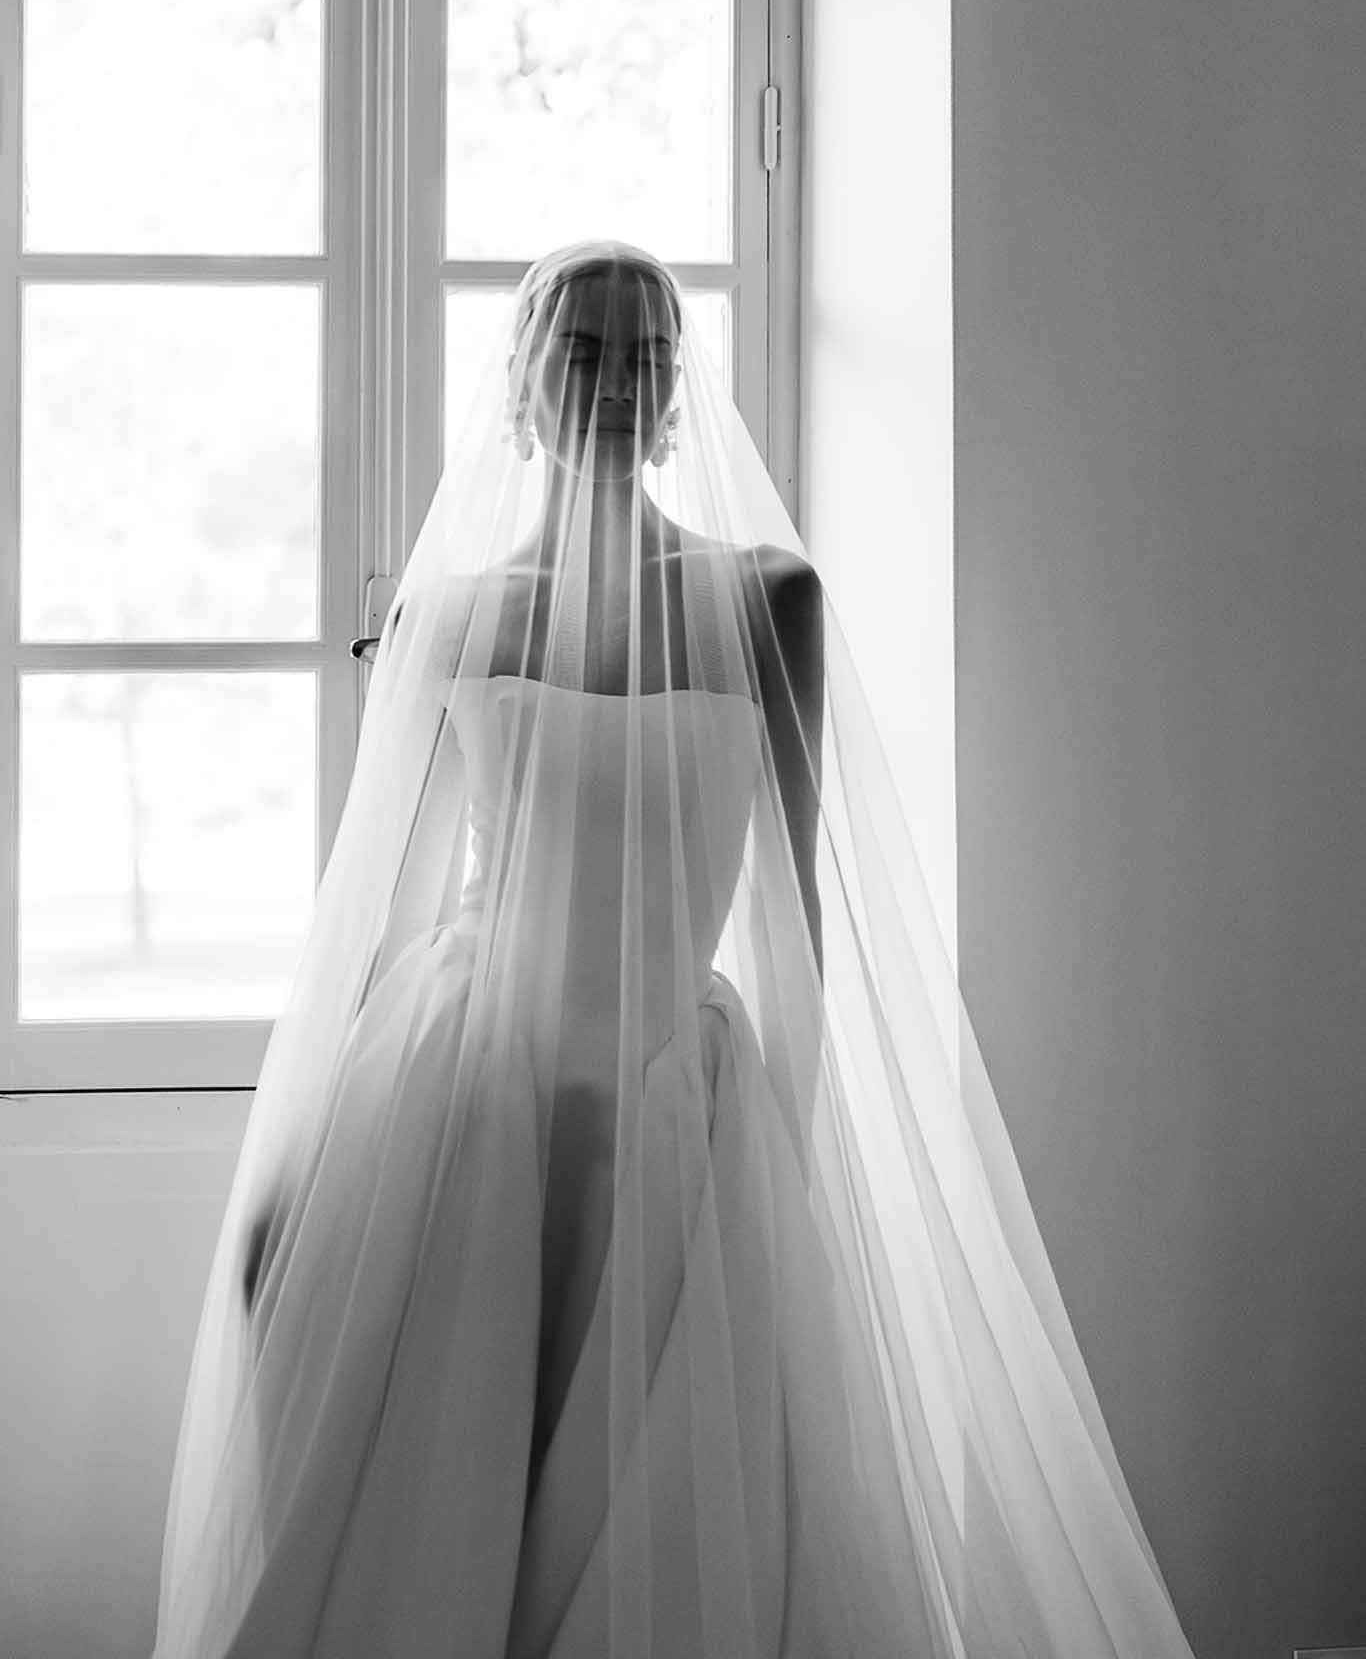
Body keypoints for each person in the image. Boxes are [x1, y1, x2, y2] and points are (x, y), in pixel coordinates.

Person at [150, 239, 1198, 1658]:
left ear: (674, 392)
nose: (615, 379)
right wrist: (313, 1154)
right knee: (443, 1482)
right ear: (523, 378)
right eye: (582, 350)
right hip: (470, 1090)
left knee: (674, 1492)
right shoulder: (449, 615)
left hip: (669, 1097)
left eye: (644, 354)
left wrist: (790, 1128)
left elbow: (795, 903)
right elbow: (389, 913)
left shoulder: (769, 600)